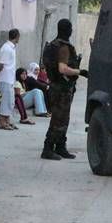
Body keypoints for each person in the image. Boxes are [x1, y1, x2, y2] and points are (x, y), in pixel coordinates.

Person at [40, 19, 89, 160]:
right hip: (62, 89)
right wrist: (80, 72)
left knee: (62, 119)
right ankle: (48, 148)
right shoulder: (63, 48)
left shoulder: (53, 45)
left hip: (56, 86)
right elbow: (62, 69)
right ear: (68, 30)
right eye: (70, 28)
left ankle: (60, 147)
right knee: (58, 120)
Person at [0, 29, 20, 130]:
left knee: (10, 101)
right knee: (6, 101)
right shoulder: (6, 48)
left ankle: (7, 121)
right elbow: (0, 64)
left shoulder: (11, 48)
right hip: (5, 78)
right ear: (17, 37)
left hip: (9, 78)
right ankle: (1, 122)